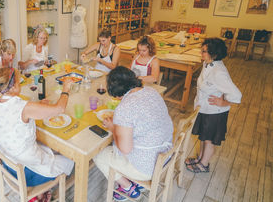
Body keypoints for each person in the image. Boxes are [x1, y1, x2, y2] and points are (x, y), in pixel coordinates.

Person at [0, 67, 74, 201]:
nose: (20, 84)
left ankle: (40, 195)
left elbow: (12, 114)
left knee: (48, 150)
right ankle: (41, 191)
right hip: (26, 172)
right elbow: (60, 109)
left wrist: (38, 106)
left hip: (9, 164)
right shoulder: (24, 107)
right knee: (70, 159)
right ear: (12, 87)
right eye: (19, 82)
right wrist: (66, 89)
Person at [94, 66, 173, 201]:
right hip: (165, 155)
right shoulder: (151, 91)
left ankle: (127, 186)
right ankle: (135, 182)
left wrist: (114, 128)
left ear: (116, 92)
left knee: (98, 154)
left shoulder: (125, 108)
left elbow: (125, 149)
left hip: (146, 167)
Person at [186, 38, 241, 173]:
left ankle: (204, 164)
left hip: (215, 113)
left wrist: (224, 102)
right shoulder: (207, 63)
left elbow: (237, 95)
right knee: (203, 137)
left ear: (214, 54)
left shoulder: (219, 72)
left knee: (209, 139)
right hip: (204, 108)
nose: (201, 53)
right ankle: (200, 158)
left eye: (204, 51)